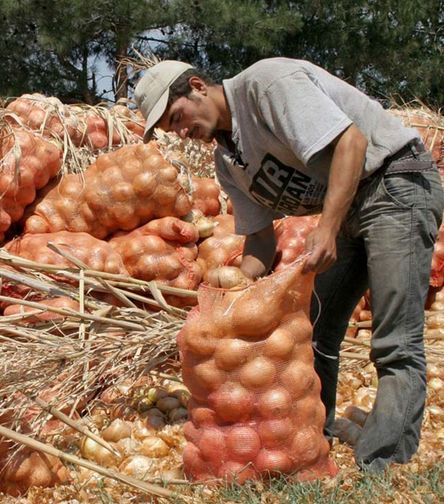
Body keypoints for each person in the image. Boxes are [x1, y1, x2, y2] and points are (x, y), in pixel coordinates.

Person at [133, 57, 443, 472]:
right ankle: (311, 444)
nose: (182, 132)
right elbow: (260, 240)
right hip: (352, 205)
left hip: (395, 182)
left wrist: (329, 226)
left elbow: (351, 143)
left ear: (197, 86)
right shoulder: (228, 164)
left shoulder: (266, 86)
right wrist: (229, 298)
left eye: (177, 117)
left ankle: (383, 465)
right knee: (312, 328)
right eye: (173, 130)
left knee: (394, 341)